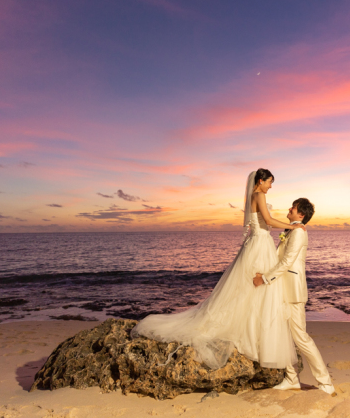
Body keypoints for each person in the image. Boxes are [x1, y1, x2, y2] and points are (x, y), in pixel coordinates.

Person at [132, 169, 304, 370]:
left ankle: (253, 333)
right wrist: (294, 227)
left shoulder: (254, 196)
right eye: (269, 182)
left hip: (258, 242)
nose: (270, 186)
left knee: (252, 289)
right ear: (261, 181)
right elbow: (267, 220)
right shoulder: (259, 195)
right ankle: (253, 335)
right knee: (257, 289)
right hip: (260, 243)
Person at [253, 198, 335, 394]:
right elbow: (280, 258)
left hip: (293, 292)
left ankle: (325, 382)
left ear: (301, 215)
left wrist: (264, 279)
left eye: (294, 207)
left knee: (301, 338)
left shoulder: (298, 232)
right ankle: (291, 379)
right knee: (284, 334)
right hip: (282, 289)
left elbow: (288, 261)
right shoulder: (290, 230)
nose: (289, 209)